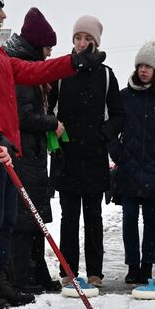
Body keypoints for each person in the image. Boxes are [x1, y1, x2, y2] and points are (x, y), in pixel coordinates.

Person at [0, 0, 104, 309]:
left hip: (8, 152)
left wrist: (74, 62)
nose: (4, 14)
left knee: (7, 219)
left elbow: (35, 71)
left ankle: (1, 279)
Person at [51, 15, 123, 290]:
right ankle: (68, 271)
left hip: (94, 157)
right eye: (78, 38)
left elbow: (118, 115)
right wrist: (53, 126)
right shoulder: (61, 71)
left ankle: (95, 273)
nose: (82, 43)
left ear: (95, 43)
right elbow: (48, 108)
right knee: (68, 218)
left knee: (93, 218)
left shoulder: (106, 75)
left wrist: (102, 134)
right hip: (66, 157)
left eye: (88, 39)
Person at [3, 8, 63, 295]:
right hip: (24, 153)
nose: (49, 53)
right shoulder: (22, 70)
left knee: (36, 217)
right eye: (48, 47)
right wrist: (53, 123)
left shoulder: (30, 67)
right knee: (26, 218)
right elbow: (23, 117)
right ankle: (22, 276)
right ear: (38, 44)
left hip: (34, 154)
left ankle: (36, 271)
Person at [111, 39, 155, 285]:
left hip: (154, 170)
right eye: (140, 65)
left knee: (151, 220)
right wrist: (117, 154)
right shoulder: (122, 97)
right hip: (128, 169)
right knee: (129, 218)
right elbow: (111, 129)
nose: (143, 70)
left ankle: (147, 267)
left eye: (148, 66)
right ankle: (132, 266)